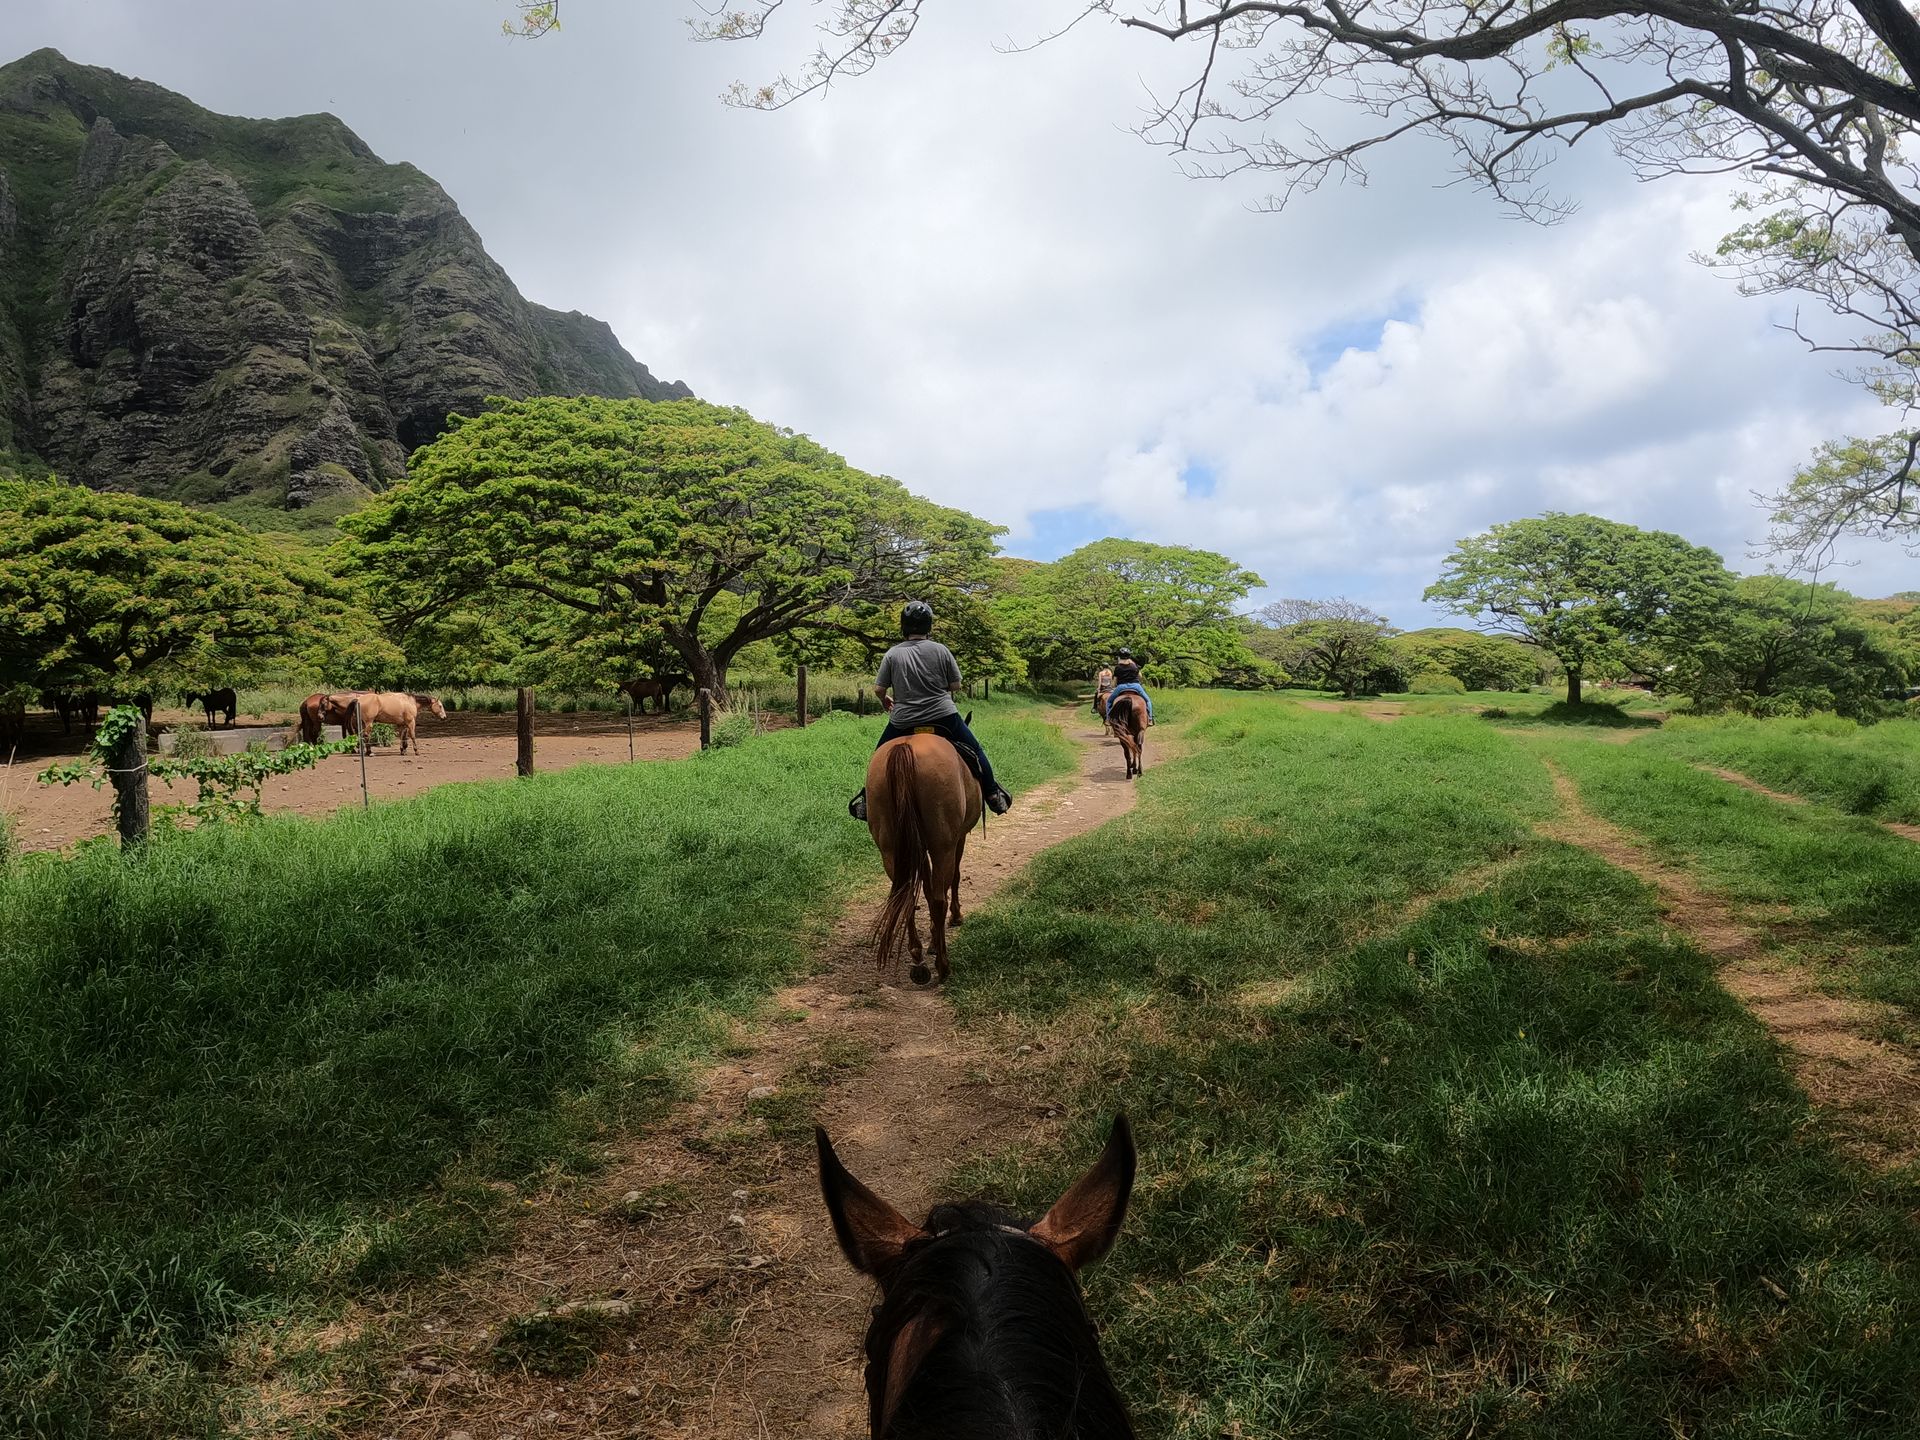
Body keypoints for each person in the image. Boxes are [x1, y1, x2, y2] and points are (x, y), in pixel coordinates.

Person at [849, 601, 1014, 820]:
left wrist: (885, 700)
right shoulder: (941, 650)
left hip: (903, 721)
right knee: (976, 750)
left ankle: (868, 801)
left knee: (878, 756)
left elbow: (879, 689)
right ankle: (993, 793)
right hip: (944, 717)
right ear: (929, 626)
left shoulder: (892, 654)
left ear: (904, 626)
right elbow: (956, 686)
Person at [1106, 647, 1153, 724]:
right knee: (1148, 700)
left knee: (1109, 701)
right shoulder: (1134, 666)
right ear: (1129, 656)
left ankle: (1108, 719)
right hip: (1135, 686)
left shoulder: (1118, 667)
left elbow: (1114, 682)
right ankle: (1150, 718)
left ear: (1119, 656)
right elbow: (1140, 676)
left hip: (1121, 687)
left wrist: (1113, 686)